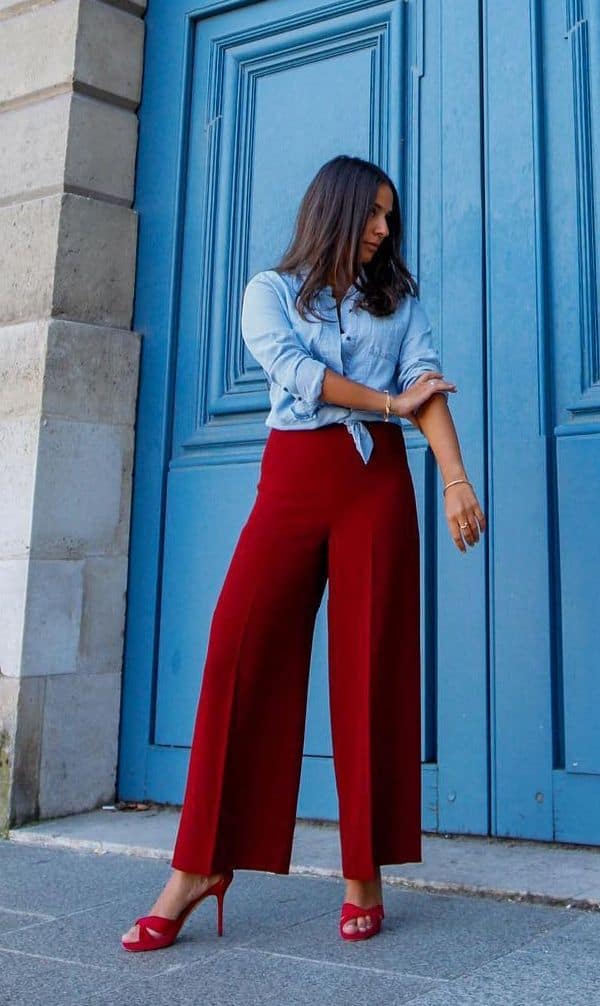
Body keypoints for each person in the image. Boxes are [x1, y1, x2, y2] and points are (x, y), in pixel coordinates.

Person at [121, 154, 486, 951]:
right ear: (336, 210)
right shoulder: (270, 292)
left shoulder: (399, 302)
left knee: (370, 669)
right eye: (374, 213)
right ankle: (197, 868)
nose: (385, 228)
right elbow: (297, 373)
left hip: (375, 483)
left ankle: (364, 873)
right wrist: (389, 400)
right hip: (293, 480)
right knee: (238, 651)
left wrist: (455, 479)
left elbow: (426, 386)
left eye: (390, 215)